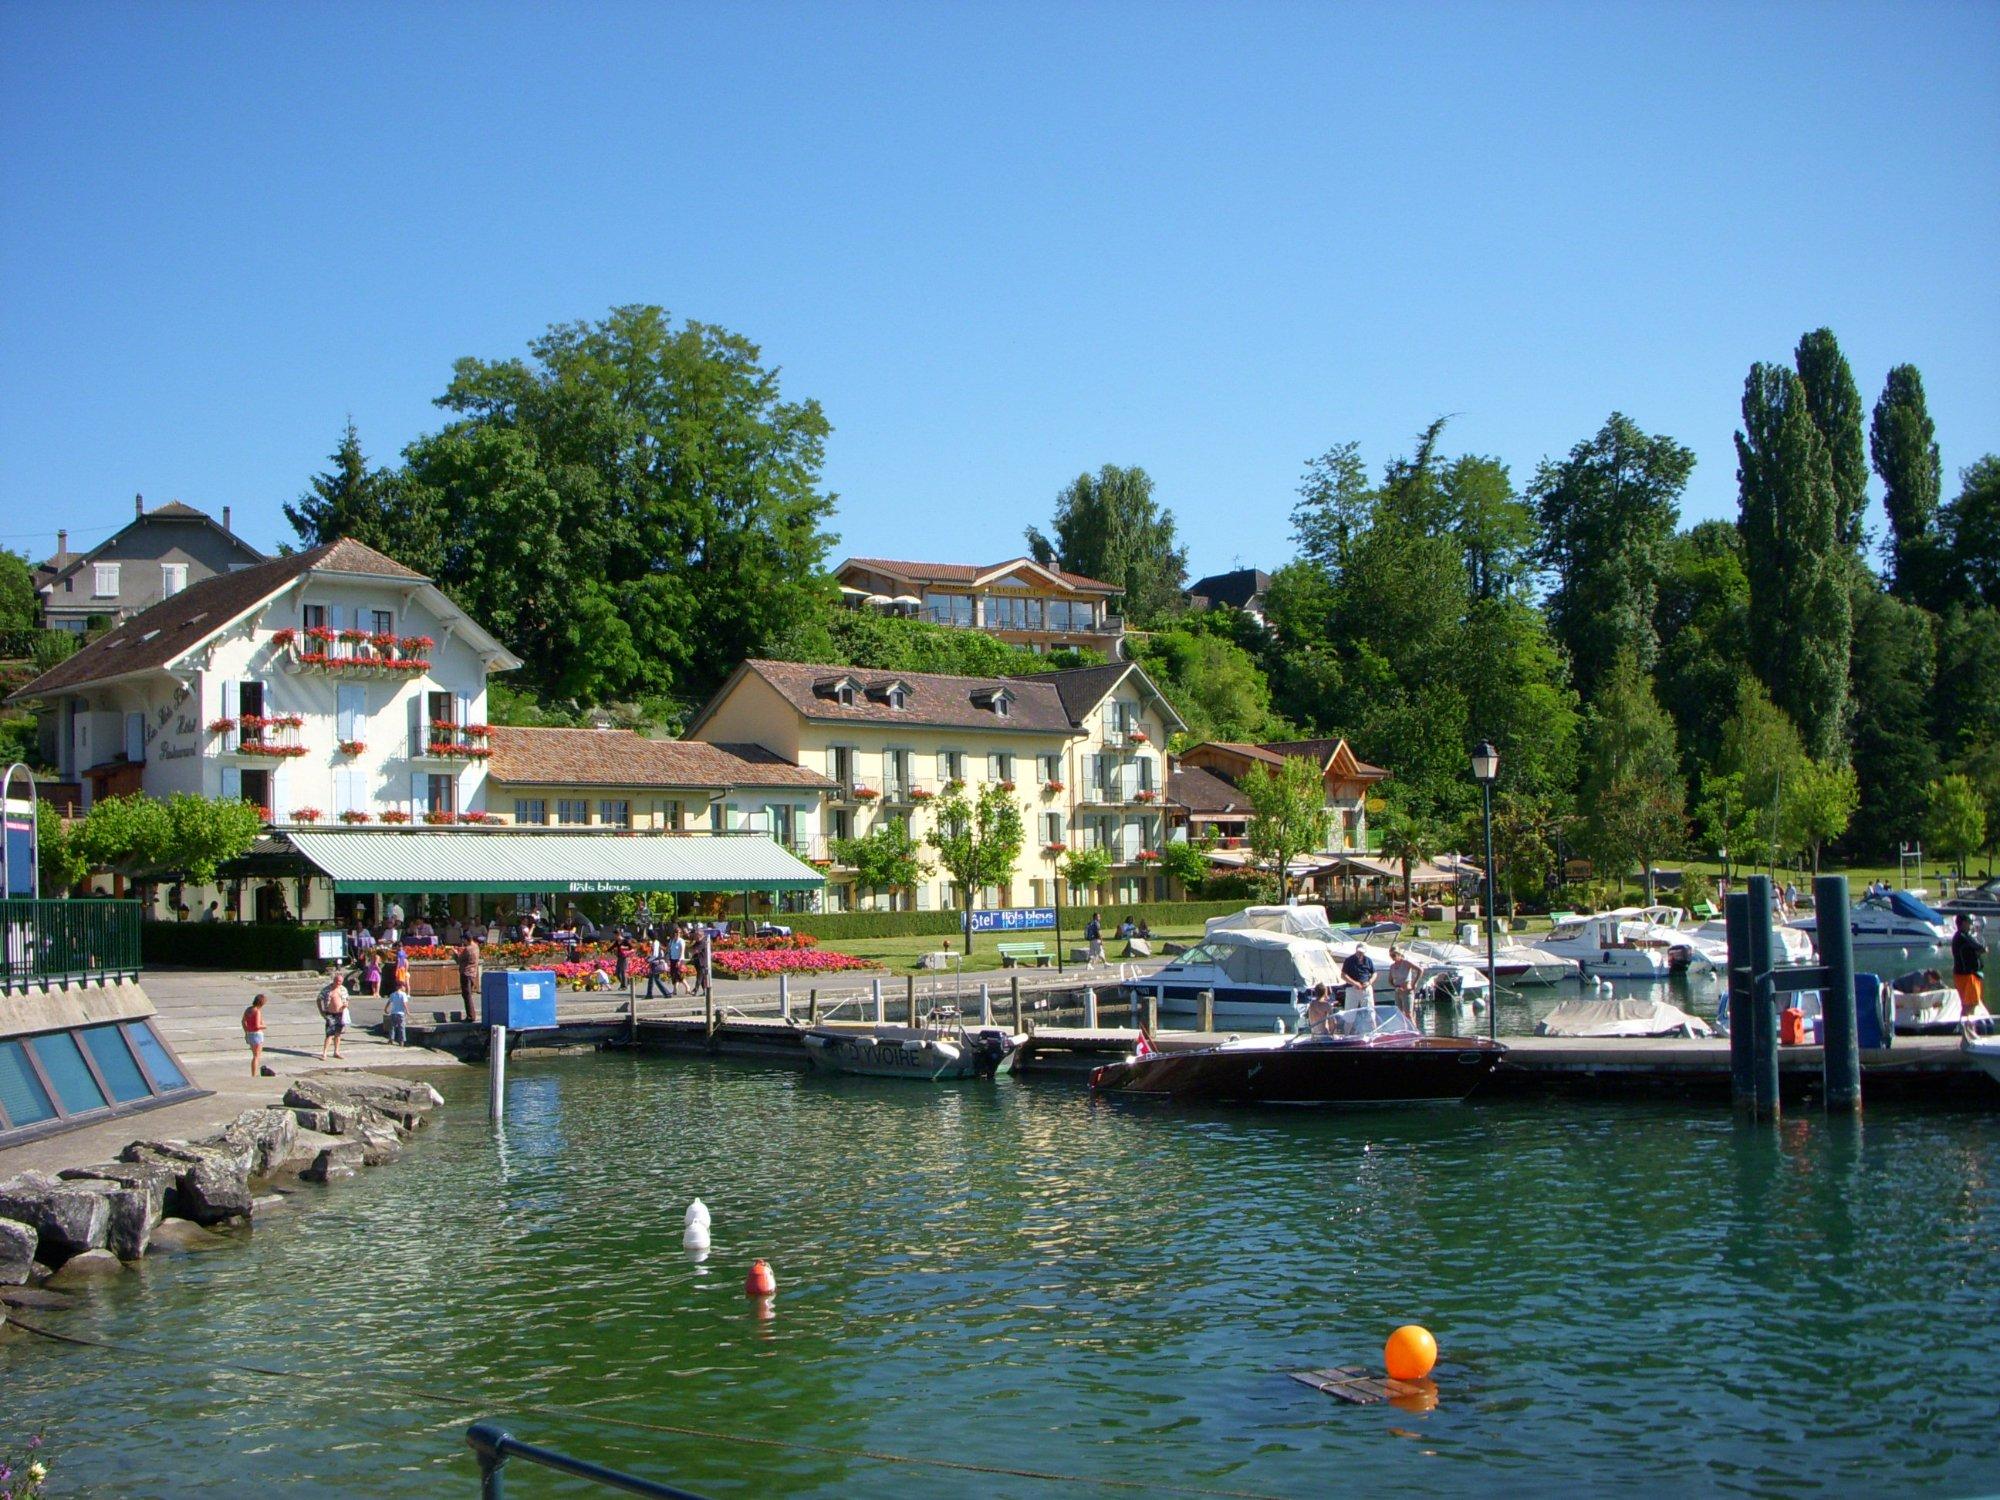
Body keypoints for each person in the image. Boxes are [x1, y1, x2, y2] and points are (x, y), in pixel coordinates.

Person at [1951, 915, 1987, 1017]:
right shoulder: (1962, 937)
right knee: (1971, 1003)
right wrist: (1981, 950)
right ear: (1963, 923)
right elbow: (1980, 947)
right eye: (1968, 922)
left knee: (1968, 1004)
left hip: (1964, 974)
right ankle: (1967, 1027)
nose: (1970, 925)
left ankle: (1966, 1027)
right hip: (1967, 975)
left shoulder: (1961, 936)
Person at [318, 971, 351, 1060]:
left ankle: (336, 1051)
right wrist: (321, 1011)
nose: (338, 983)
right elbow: (319, 999)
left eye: (340, 981)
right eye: (337, 981)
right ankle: (324, 1053)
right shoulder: (327, 989)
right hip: (330, 1014)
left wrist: (346, 1004)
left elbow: (347, 998)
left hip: (340, 1013)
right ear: (334, 980)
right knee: (329, 1034)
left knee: (338, 1033)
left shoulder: (343, 989)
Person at [1387, 945, 1422, 1018]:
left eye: (1394, 955)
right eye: (1391, 956)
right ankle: (1404, 1029)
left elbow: (1420, 970)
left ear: (1398, 954)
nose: (1392, 957)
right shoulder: (1392, 966)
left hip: (1407, 991)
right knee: (1400, 1014)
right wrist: (1396, 987)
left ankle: (1413, 1029)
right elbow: (1390, 980)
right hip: (1398, 991)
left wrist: (1414, 983)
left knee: (1409, 1014)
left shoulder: (1406, 963)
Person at [1341, 944, 1376, 1010]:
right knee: (1350, 1012)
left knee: (1369, 1011)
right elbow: (1343, 975)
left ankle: (1370, 1020)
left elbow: (1374, 973)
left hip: (1365, 988)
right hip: (1352, 988)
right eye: (1358, 952)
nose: (1360, 954)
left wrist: (1369, 982)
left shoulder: (1368, 960)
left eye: (1361, 952)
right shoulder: (1349, 960)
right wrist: (1355, 983)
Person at [457, 933, 482, 1024]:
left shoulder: (468, 949)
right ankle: (471, 1015)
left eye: (463, 940)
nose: (462, 942)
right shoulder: (476, 947)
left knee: (467, 995)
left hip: (466, 973)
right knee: (468, 994)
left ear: (467, 939)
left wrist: (455, 953)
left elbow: (459, 960)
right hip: (473, 973)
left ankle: (471, 1016)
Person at [242, 993, 267, 1076]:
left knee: (254, 1055)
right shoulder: (257, 1011)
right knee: (256, 1056)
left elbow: (243, 1021)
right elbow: (257, 1026)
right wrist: (264, 1026)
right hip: (257, 1034)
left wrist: (246, 1031)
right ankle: (254, 1074)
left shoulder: (248, 1009)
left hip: (250, 1034)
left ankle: (254, 1073)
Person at [667, 925, 687, 994]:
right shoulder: (671, 941)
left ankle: (677, 989)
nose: (677, 934)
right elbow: (669, 950)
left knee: (678, 974)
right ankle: (684, 988)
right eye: (676, 932)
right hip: (672, 959)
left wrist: (679, 961)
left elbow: (682, 952)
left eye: (679, 932)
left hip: (679, 960)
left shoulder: (681, 941)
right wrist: (669, 959)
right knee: (673, 974)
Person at [693, 925, 713, 994]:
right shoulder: (697, 942)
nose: (695, 937)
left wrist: (694, 950)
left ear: (700, 935)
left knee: (699, 977)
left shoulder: (703, 942)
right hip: (698, 962)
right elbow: (693, 949)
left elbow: (696, 950)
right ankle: (705, 991)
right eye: (695, 935)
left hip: (702, 963)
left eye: (696, 935)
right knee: (702, 978)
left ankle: (695, 990)